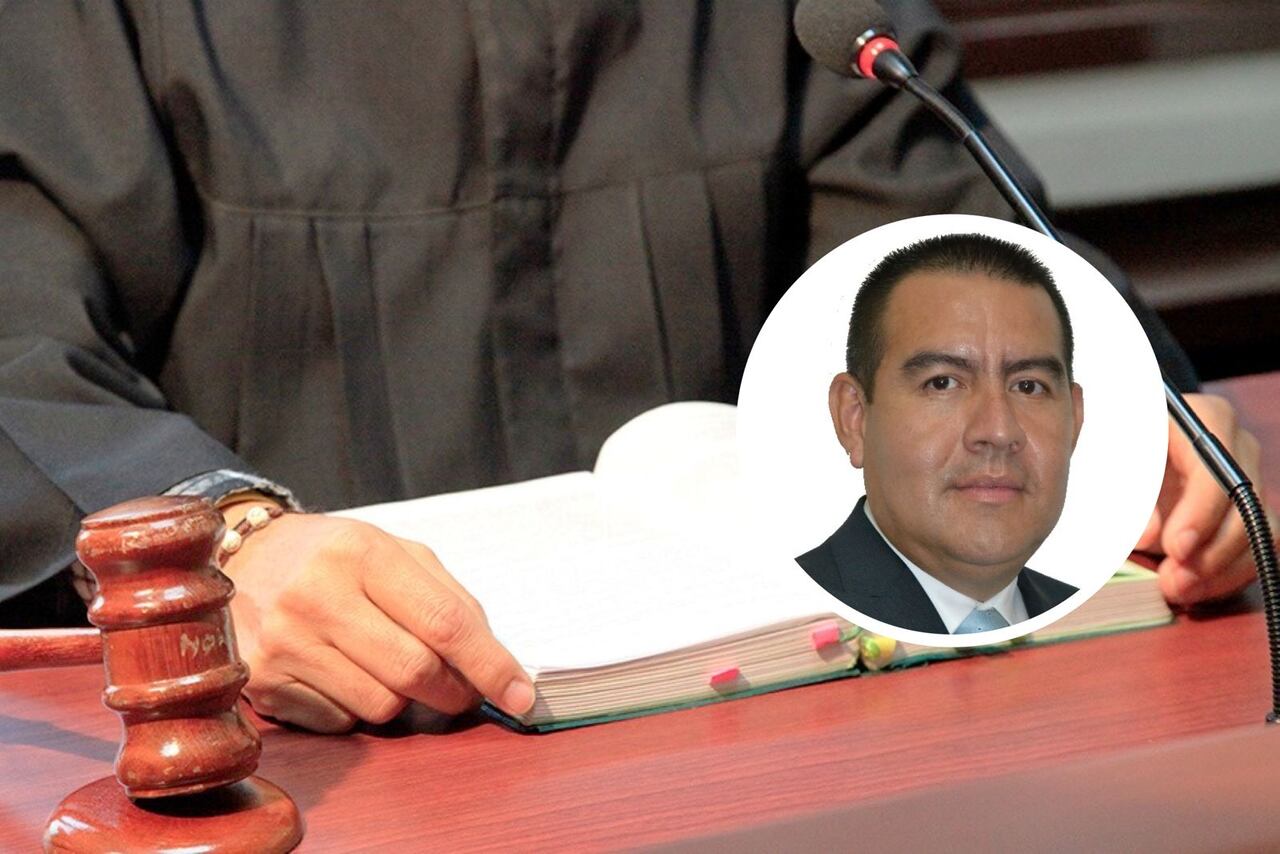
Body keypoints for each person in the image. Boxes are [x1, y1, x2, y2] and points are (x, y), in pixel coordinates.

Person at [0, 2, 1265, 731]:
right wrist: (221, 545)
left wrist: (1126, 427)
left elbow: (941, 239)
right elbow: (19, 344)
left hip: (757, 733)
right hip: (317, 750)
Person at [797, 233, 1083, 634]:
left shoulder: (1101, 614)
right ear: (854, 417)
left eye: (1028, 386)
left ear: (1075, 420)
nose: (998, 431)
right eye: (942, 383)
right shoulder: (783, 620)